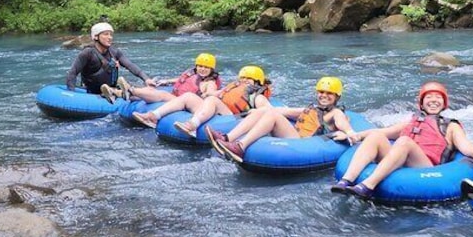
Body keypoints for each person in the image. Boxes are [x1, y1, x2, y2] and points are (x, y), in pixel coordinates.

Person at [330, 81, 473, 199]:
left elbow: (465, 145)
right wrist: (353, 135)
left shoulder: (450, 126)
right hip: (400, 159)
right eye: (429, 97)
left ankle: (368, 186)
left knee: (404, 142)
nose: (433, 100)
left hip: (424, 167)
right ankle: (346, 181)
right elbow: (383, 131)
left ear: (444, 103)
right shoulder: (412, 121)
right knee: (376, 136)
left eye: (438, 97)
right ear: (421, 103)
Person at [209, 77, 354, 162]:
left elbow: (347, 128)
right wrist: (257, 111)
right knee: (267, 110)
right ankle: (228, 137)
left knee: (272, 115)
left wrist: (347, 134)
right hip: (296, 136)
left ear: (337, 97)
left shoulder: (336, 113)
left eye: (330, 93)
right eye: (321, 92)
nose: (324, 95)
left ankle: (240, 146)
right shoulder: (314, 109)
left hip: (303, 145)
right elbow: (286, 111)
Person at [132, 65, 272, 135]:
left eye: (248, 80)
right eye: (242, 79)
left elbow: (268, 113)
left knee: (212, 100)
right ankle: (153, 116)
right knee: (188, 97)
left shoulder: (258, 97)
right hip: (218, 110)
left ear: (257, 82)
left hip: (234, 118)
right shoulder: (233, 88)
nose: (244, 82)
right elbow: (218, 94)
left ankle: (192, 125)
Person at [65, 21, 156, 99]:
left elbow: (130, 65)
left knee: (140, 91)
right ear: (96, 37)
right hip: (93, 91)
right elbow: (72, 73)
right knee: (126, 91)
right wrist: (71, 94)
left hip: (112, 87)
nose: (110, 37)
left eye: (110, 34)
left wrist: (146, 79)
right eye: (106, 34)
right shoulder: (87, 53)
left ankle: (121, 90)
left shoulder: (114, 52)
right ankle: (119, 92)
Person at [113, 53, 221, 104]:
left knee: (162, 95)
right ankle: (119, 93)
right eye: (200, 66)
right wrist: (166, 81)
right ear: (196, 66)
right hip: (179, 98)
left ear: (211, 69)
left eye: (206, 67)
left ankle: (130, 90)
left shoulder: (210, 83)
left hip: (189, 103)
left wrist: (207, 94)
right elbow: (181, 80)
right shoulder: (194, 74)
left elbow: (212, 93)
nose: (202, 69)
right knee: (151, 90)